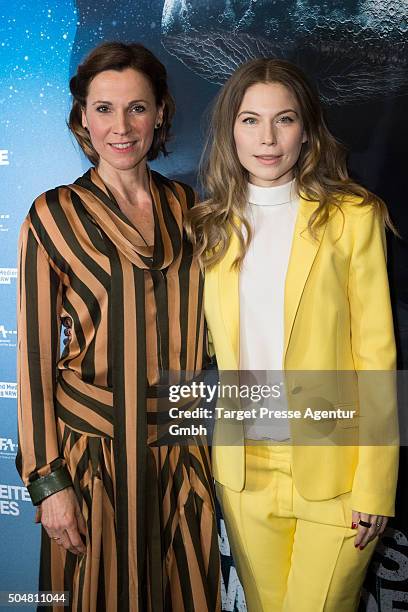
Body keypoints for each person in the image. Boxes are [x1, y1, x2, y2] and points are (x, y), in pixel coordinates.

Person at [187, 58, 398, 611]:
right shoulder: (209, 227)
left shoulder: (352, 216)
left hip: (337, 468)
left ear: (306, 129)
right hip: (244, 472)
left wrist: (375, 482)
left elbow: (376, 354)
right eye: (250, 120)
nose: (267, 138)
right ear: (230, 129)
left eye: (284, 119)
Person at [16, 41, 221, 612]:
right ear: (83, 116)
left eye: (137, 107)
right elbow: (33, 358)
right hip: (93, 464)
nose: (121, 126)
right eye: (104, 108)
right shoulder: (50, 215)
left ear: (160, 113)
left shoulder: (189, 206)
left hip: (182, 456)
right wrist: (48, 484)